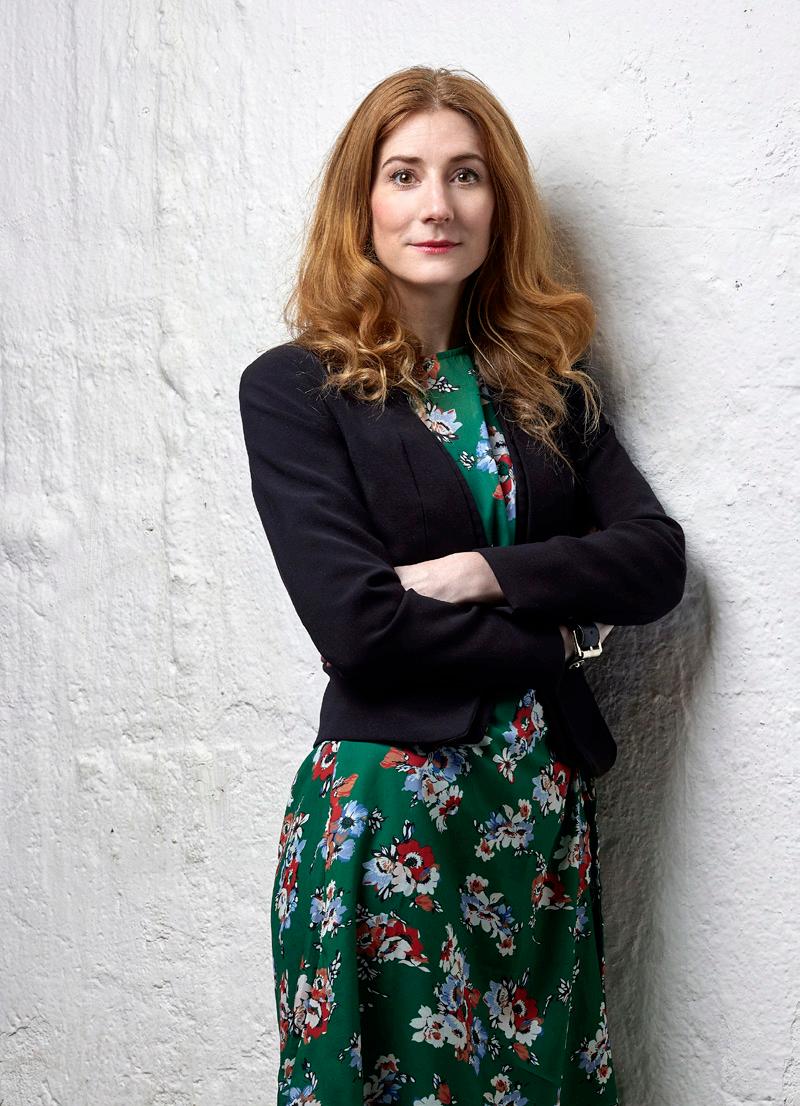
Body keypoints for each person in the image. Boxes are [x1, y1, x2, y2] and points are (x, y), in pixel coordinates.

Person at [238, 65, 686, 1106]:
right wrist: (556, 640)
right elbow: (358, 625)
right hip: (392, 815)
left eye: (465, 175)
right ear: (361, 204)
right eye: (403, 175)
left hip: (536, 820)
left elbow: (653, 560)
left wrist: (486, 571)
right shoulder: (296, 389)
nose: (435, 205)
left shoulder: (548, 390)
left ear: (499, 204)